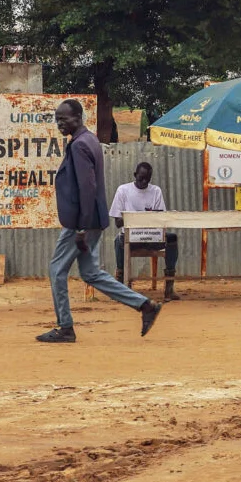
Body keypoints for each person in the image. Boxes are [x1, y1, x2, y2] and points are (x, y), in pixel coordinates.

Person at [39, 99, 161, 343]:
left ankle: (65, 327)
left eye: (64, 119)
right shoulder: (89, 139)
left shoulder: (80, 145)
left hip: (81, 222)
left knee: (56, 270)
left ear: (78, 117)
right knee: (91, 273)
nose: (60, 124)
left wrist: (81, 228)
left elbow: (87, 187)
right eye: (57, 119)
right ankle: (145, 305)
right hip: (91, 220)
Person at [109, 160, 179, 300]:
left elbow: (161, 218)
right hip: (131, 238)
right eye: (141, 178)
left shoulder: (156, 191)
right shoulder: (123, 190)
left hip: (152, 237)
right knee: (118, 240)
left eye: (147, 179)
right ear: (135, 175)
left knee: (172, 239)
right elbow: (117, 222)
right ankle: (122, 285)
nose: (144, 181)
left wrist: (149, 219)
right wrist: (138, 219)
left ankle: (169, 286)